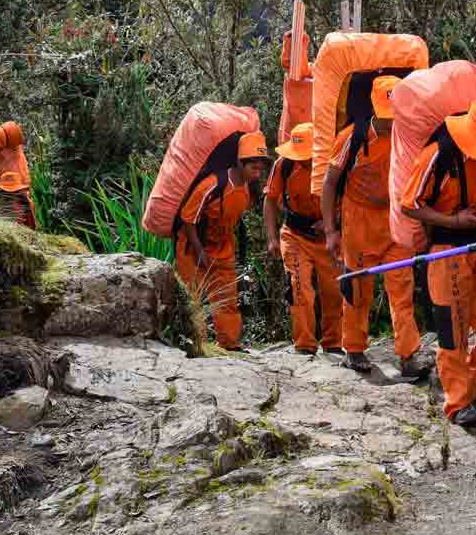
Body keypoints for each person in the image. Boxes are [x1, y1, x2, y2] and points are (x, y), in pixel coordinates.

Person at [401, 99, 476, 427]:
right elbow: (410, 204)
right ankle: (457, 401)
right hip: (448, 249)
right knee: (452, 329)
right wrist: (453, 221)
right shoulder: (439, 155)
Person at [322, 75, 426, 377]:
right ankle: (354, 349)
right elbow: (330, 183)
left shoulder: (408, 137)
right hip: (358, 222)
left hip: (394, 222)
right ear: (373, 109)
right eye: (385, 118)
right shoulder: (351, 139)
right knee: (357, 288)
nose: (391, 124)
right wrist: (331, 231)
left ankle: (408, 356)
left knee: (402, 289)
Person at [176, 130, 272, 351]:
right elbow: (188, 219)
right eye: (253, 168)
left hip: (223, 247)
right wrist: (199, 252)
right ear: (239, 162)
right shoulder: (212, 185)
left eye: (260, 168)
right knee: (193, 299)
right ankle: (194, 346)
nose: (258, 174)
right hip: (192, 247)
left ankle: (229, 345)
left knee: (227, 300)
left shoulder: (246, 186)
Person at [264, 122, 343, 357]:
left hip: (328, 237)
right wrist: (271, 238)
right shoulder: (285, 165)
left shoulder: (335, 165)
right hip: (294, 235)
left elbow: (351, 200)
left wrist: (332, 224)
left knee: (334, 291)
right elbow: (270, 200)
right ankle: (305, 344)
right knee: (299, 288)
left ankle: (334, 342)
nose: (301, 160)